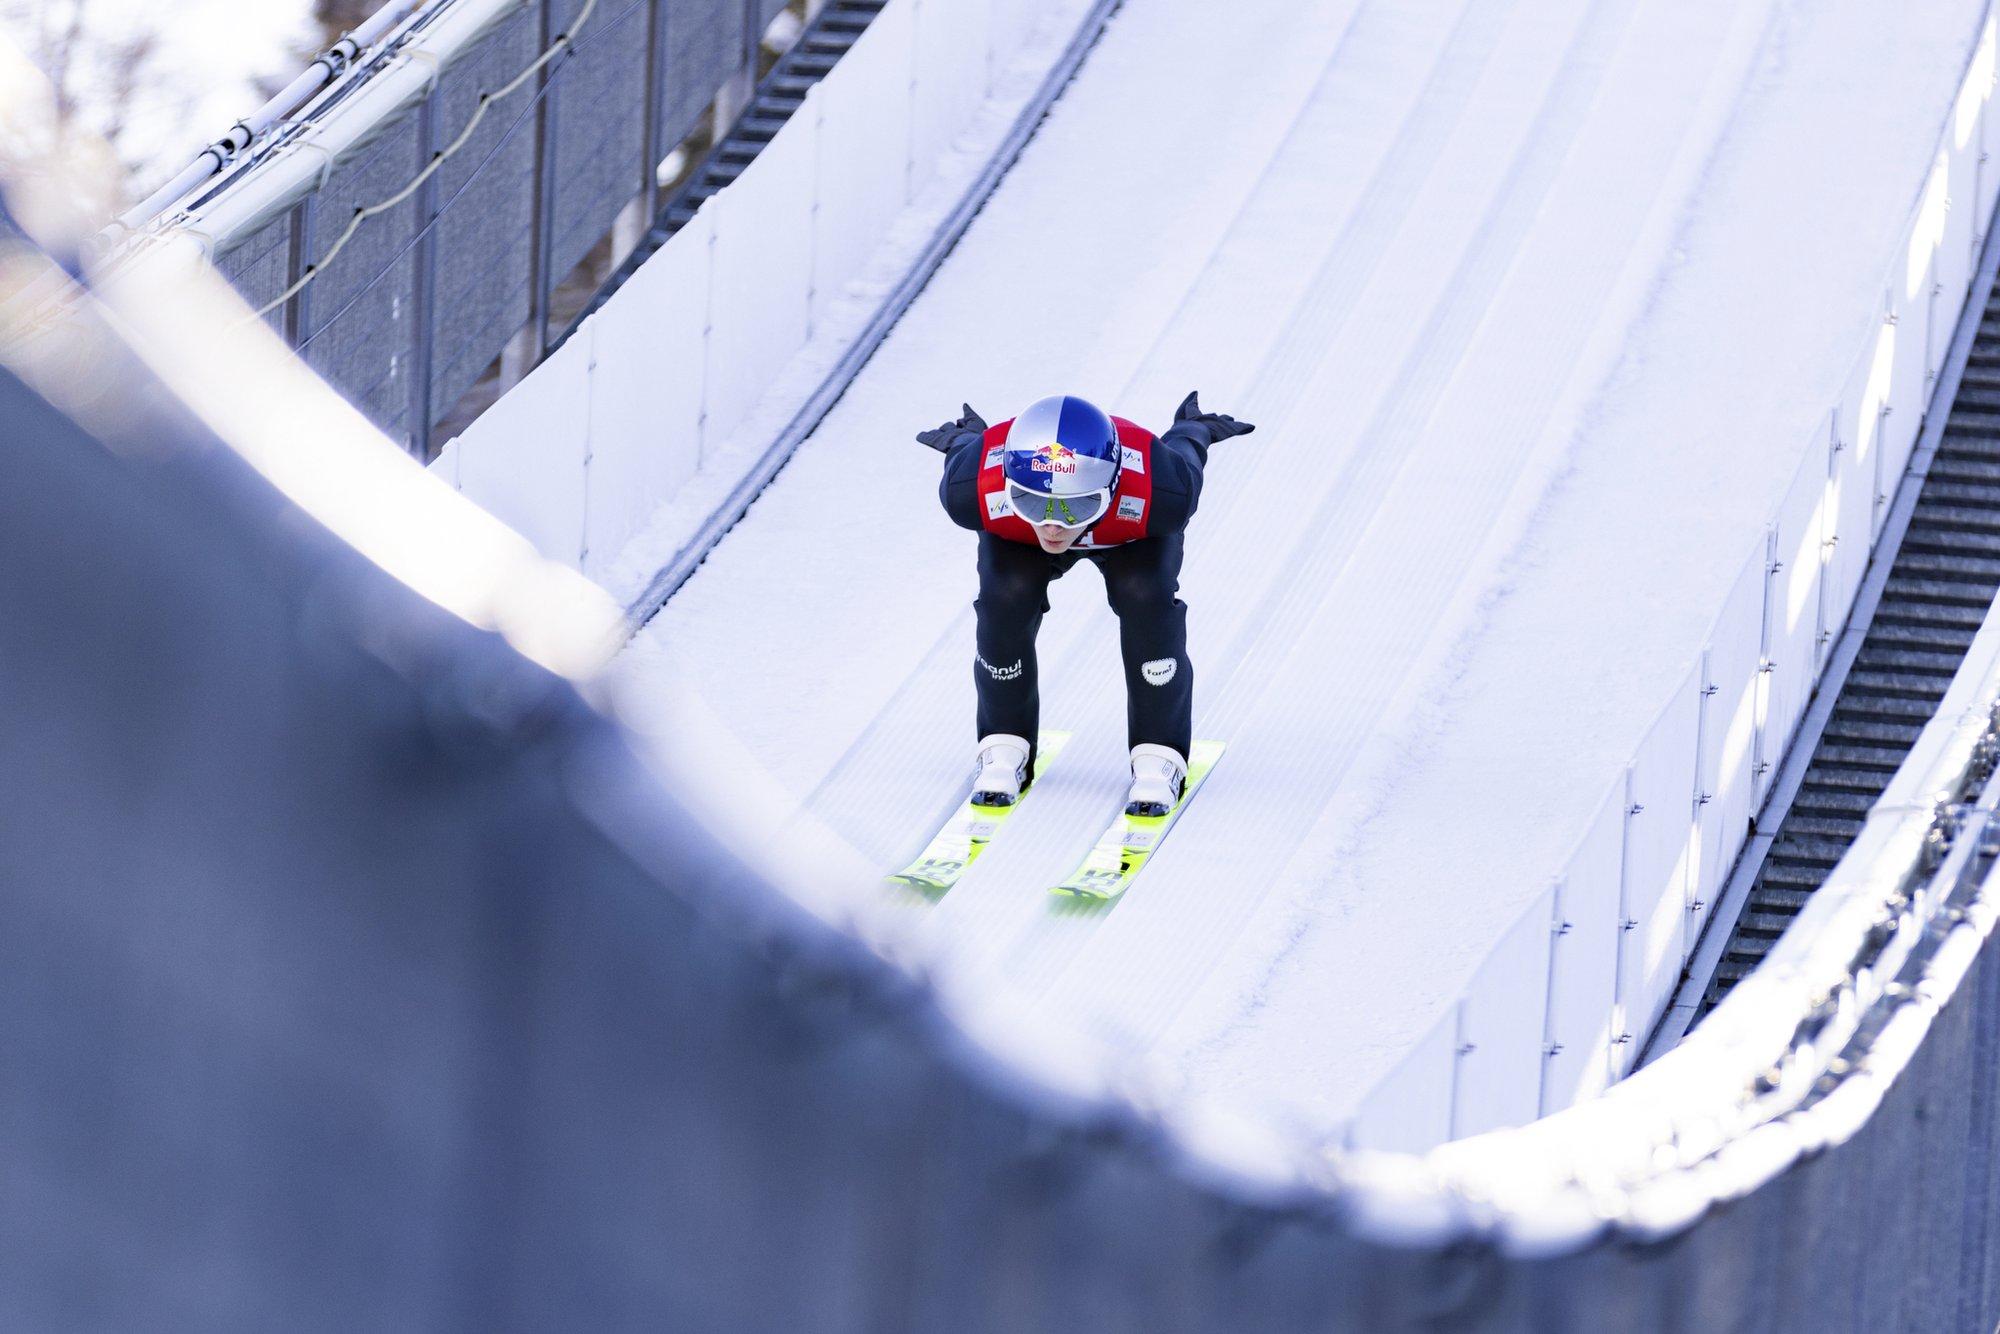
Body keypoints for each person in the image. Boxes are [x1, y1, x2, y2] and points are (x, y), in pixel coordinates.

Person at [918, 392, 1254, 816]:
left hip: (1131, 536)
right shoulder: (969, 490)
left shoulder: (1163, 490)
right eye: (1033, 500)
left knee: (1146, 598)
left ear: (1114, 484)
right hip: (1025, 538)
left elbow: (1185, 454)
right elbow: (967, 453)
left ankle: (1159, 754)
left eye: (1076, 504)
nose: (1055, 526)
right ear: (1006, 484)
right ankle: (1003, 744)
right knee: (1005, 598)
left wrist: (1194, 428)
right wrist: (966, 438)